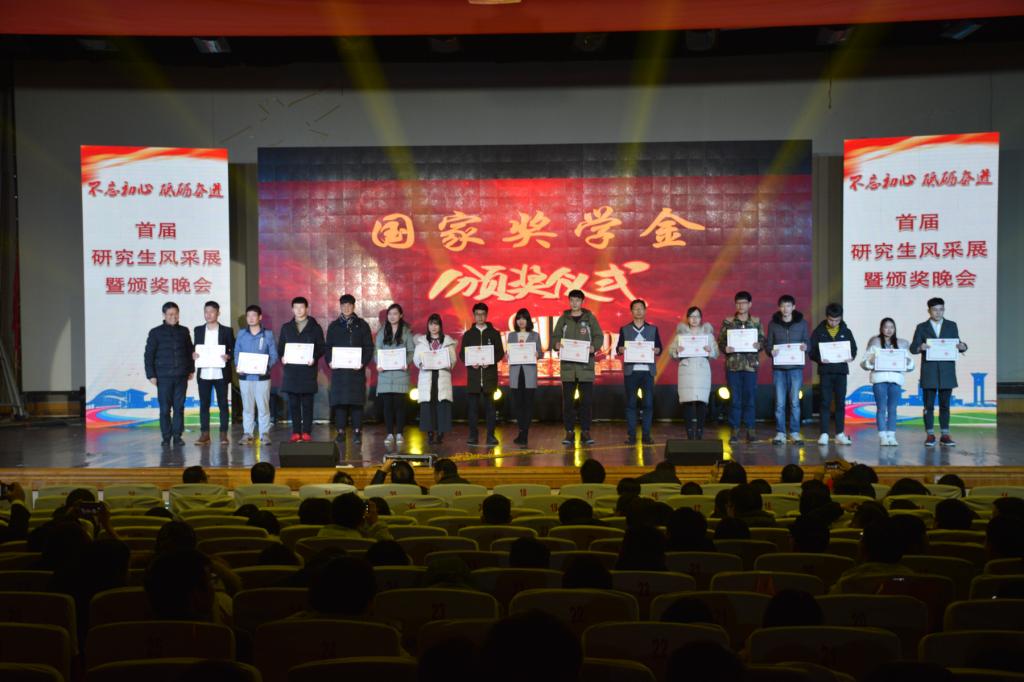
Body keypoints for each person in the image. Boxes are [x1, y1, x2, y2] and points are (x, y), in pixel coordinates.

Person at [910, 297, 969, 447]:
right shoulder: (922, 327)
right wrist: (920, 347)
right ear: (929, 311)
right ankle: (930, 434)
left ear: (944, 310)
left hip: (946, 371)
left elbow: (958, 344)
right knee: (928, 405)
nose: (938, 312)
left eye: (941, 309)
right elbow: (913, 348)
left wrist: (963, 346)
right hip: (929, 371)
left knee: (945, 405)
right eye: (935, 310)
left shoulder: (951, 325)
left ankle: (945, 434)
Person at [552, 289, 603, 446]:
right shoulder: (563, 319)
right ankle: (569, 432)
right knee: (568, 403)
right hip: (568, 368)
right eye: (572, 300)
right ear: (569, 301)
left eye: (577, 300)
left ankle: (585, 432)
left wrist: (594, 347)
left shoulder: (589, 318)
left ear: (582, 302)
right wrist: (556, 344)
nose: (574, 303)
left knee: (585, 402)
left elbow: (599, 336)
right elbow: (555, 336)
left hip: (585, 368)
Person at [325, 294, 374, 447]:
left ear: (354, 306)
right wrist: (330, 361)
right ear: (340, 307)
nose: (346, 308)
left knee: (356, 403)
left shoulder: (362, 325)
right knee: (340, 403)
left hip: (356, 371)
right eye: (343, 305)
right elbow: (328, 347)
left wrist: (362, 362)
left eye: (349, 305)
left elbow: (369, 347)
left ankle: (357, 432)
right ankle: (340, 432)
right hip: (339, 372)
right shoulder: (334, 326)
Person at [144, 301, 194, 447]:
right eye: (170, 314)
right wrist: (151, 375)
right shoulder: (155, 332)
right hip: (163, 377)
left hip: (181, 376)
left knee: (179, 408)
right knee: (165, 409)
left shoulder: (184, 331)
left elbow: (190, 351)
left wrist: (191, 369)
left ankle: (177, 436)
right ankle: (166, 437)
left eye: (176, 314)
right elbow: (149, 355)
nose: (173, 317)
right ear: (164, 315)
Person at [718, 291, 765, 444]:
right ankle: (735, 431)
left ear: (750, 304)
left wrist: (759, 345)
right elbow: (721, 341)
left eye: (744, 303)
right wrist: (725, 348)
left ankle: (751, 430)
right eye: (738, 303)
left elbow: (763, 340)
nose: (741, 306)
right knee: (735, 399)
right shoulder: (728, 322)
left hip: (750, 366)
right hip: (733, 366)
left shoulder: (756, 322)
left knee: (750, 399)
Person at [860, 317, 915, 447]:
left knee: (893, 409)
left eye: (891, 327)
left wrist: (908, 362)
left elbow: (911, 366)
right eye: (886, 327)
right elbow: (864, 363)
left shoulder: (901, 345)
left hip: (895, 380)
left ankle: (891, 435)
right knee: (881, 408)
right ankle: (883, 436)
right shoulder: (875, 344)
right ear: (881, 328)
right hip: (880, 379)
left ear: (895, 329)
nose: (889, 330)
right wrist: (871, 361)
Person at [277, 296, 325, 442]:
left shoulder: (315, 327)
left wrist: (314, 358)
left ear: (306, 309)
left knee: (307, 403)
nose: (298, 310)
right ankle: (296, 431)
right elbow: (281, 348)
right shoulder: (286, 327)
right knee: (293, 404)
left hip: (308, 371)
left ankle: (307, 431)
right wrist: (283, 357)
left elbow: (321, 347)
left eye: (301, 307)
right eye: (296, 307)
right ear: (292, 309)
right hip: (291, 372)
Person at [809, 302, 858, 446]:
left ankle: (839, 434)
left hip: (841, 372)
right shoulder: (819, 332)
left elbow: (853, 349)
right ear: (826, 317)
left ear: (841, 318)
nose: (833, 323)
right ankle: (824, 434)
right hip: (825, 372)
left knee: (840, 403)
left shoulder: (846, 331)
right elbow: (811, 351)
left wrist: (851, 357)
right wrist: (820, 359)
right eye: (831, 320)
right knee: (825, 402)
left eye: (836, 320)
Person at [616, 299, 663, 445]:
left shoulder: (653, 329)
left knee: (648, 404)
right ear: (631, 311)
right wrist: (621, 349)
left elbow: (659, 348)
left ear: (645, 310)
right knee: (631, 404)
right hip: (631, 371)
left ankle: (646, 435)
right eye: (635, 308)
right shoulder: (625, 329)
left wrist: (656, 350)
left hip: (647, 372)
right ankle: (631, 436)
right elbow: (618, 348)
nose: (638, 311)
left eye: (641, 308)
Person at [765, 294, 809, 445]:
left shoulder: (802, 323)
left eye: (788, 306)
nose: (785, 309)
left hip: (796, 368)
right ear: (779, 307)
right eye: (783, 306)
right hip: (779, 369)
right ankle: (781, 432)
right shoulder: (773, 324)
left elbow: (807, 342)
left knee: (795, 402)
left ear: (793, 307)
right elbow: (768, 345)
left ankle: (795, 432)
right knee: (780, 403)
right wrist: (770, 351)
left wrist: (805, 347)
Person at [459, 302, 504, 447]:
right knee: (473, 409)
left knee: (490, 408)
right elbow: (462, 354)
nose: (480, 317)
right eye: (477, 314)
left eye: (483, 314)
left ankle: (491, 436)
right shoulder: (468, 334)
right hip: (473, 377)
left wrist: (490, 361)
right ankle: (473, 436)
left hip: (489, 377)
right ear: (474, 315)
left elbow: (500, 353)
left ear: (487, 315)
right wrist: (471, 362)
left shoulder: (494, 333)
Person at [671, 306, 719, 440]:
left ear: (701, 318)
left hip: (702, 370)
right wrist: (676, 351)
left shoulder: (708, 335)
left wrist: (710, 350)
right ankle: (689, 432)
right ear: (687, 318)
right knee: (687, 402)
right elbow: (672, 353)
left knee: (701, 402)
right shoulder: (680, 335)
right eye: (692, 316)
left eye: (697, 316)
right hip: (686, 370)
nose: (694, 319)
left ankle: (699, 431)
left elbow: (716, 353)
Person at [234, 304, 278, 446]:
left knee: (263, 406)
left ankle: (265, 433)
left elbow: (274, 355)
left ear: (260, 317)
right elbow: (236, 352)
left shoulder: (267, 334)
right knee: (247, 407)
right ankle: (248, 433)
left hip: (262, 378)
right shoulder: (242, 334)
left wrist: (266, 367)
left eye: (254, 315)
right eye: (248, 316)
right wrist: (238, 365)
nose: (251, 318)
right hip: (245, 377)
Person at [191, 300, 235, 445]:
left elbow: (233, 349)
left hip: (220, 374)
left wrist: (228, 356)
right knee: (204, 405)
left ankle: (223, 434)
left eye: (211, 312)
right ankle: (205, 434)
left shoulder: (226, 331)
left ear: (218, 313)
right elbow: (194, 348)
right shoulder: (198, 330)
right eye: (206, 312)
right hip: (204, 373)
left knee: (223, 404)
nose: (208, 314)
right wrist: (194, 354)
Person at [414, 314, 458, 446]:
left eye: (436, 324)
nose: (434, 327)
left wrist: (449, 363)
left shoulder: (447, 341)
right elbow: (416, 358)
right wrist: (421, 363)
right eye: (431, 324)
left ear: (440, 326)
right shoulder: (422, 342)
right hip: (427, 376)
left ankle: (440, 433)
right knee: (428, 405)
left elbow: (453, 359)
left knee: (442, 404)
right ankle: (430, 433)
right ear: (428, 326)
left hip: (442, 376)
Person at [375, 303, 415, 448]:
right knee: (387, 407)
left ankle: (399, 433)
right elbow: (377, 351)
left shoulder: (406, 332)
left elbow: (411, 351)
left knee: (400, 406)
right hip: (385, 375)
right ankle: (389, 433)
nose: (392, 316)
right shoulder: (382, 332)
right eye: (390, 314)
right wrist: (378, 363)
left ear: (401, 315)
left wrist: (406, 363)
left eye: (395, 314)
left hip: (401, 374)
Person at [506, 307, 543, 447]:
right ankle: (521, 430)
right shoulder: (511, 336)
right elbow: (509, 353)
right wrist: (508, 355)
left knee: (528, 404)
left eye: (524, 318)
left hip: (529, 374)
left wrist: (537, 354)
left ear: (528, 320)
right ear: (516, 321)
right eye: (519, 318)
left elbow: (540, 352)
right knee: (518, 404)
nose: (521, 321)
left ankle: (524, 433)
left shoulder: (535, 335)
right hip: (516, 374)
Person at [318, 493, 392, 540]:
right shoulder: (365, 542)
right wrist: (375, 523)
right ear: (361, 521)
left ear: (331, 516)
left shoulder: (319, 537)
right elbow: (392, 550)